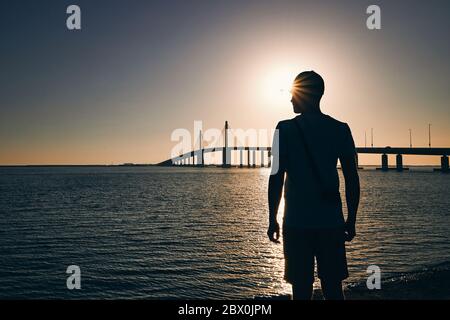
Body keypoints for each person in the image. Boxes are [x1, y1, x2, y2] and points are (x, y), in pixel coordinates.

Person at [267, 71, 360, 300]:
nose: (290, 99)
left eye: (293, 94)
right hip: (331, 221)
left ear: (307, 95)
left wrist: (272, 218)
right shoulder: (340, 129)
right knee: (333, 288)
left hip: (296, 223)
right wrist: (352, 219)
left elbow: (276, 177)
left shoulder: (284, 129)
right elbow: (351, 178)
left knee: (300, 290)